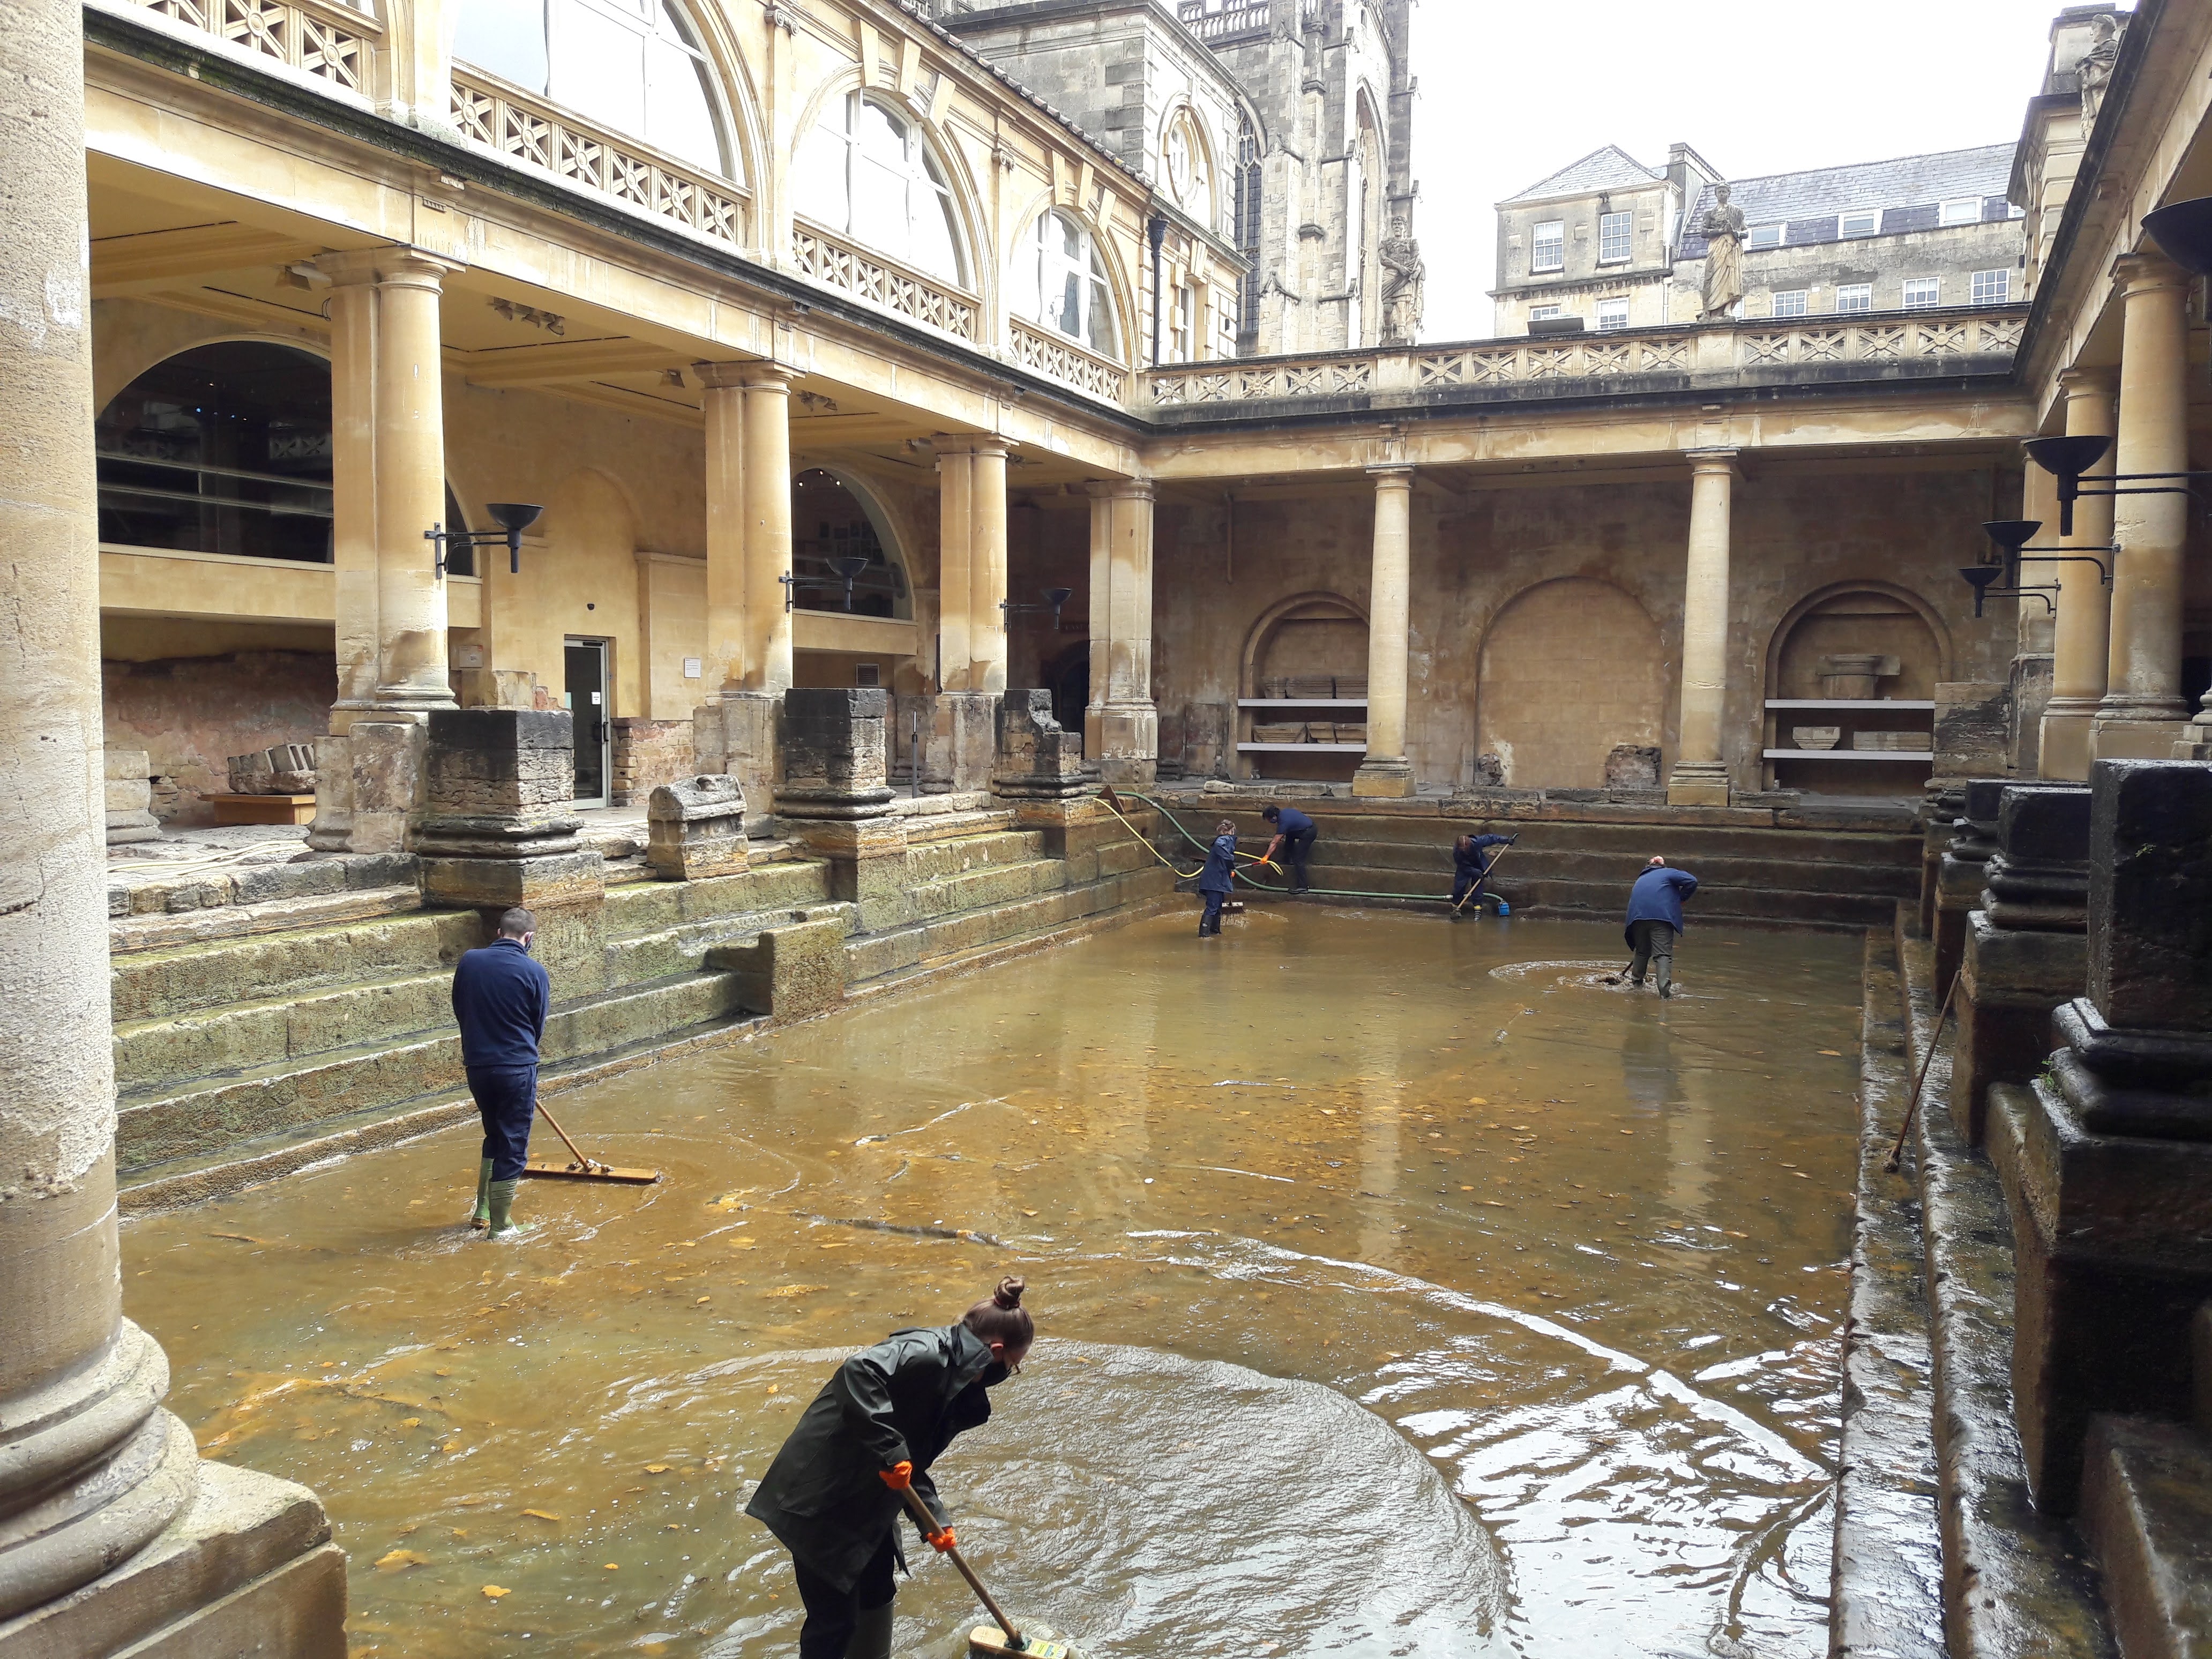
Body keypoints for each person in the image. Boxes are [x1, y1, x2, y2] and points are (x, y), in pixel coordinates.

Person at [748, 1279, 1036, 1659]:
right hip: (821, 1498)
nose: (1008, 1374)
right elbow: (859, 1370)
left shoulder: (956, 1384)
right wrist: (891, 1450)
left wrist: (934, 1519)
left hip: (869, 1495)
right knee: (834, 1622)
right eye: (1012, 1367)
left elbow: (910, 1462)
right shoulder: (924, 1353)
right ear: (995, 1351)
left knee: (878, 1591)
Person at [451, 906, 551, 1236]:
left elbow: (460, 1007)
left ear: (499, 932)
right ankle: (501, 1227)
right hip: (516, 1067)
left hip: (478, 1066)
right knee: (513, 1143)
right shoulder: (535, 971)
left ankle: (482, 1212)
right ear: (529, 937)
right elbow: (537, 1025)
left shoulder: (469, 961)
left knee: (494, 1133)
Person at [1624, 856, 1700, 998]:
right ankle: (1665, 993)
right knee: (1662, 954)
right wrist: (1681, 898)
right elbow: (1692, 881)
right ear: (1660, 865)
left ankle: (1636, 986)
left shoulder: (1641, 879)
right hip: (1661, 918)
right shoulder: (1668, 873)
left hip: (1637, 919)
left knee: (1642, 952)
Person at [1452, 831, 1516, 918]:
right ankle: (1456, 910)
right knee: (1459, 888)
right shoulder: (1457, 852)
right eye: (1462, 849)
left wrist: (1506, 840)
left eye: (1465, 849)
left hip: (1478, 865)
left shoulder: (1477, 842)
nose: (1464, 850)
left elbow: (1491, 838)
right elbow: (1462, 866)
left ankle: (1477, 916)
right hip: (1464, 868)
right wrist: (1473, 871)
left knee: (1478, 890)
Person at [1260, 803, 1317, 894]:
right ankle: (1287, 859)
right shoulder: (1284, 813)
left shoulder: (1284, 822)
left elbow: (1275, 842)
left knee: (1299, 859)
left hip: (1309, 832)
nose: (1269, 821)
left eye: (1269, 819)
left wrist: (1266, 856)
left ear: (1274, 817)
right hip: (1303, 828)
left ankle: (1303, 886)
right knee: (1289, 835)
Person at [1197, 816, 1237, 937]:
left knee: (1218, 906)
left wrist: (1230, 868)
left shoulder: (1225, 841)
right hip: (1214, 881)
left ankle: (1215, 931)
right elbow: (1220, 847)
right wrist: (1230, 860)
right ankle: (1204, 935)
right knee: (1213, 907)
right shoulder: (1225, 840)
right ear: (1232, 831)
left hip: (1217, 879)